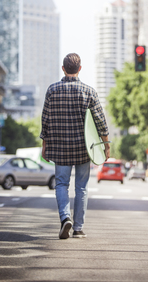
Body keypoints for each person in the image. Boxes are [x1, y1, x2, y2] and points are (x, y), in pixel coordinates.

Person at [40, 53, 110, 239]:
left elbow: (45, 120)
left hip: (59, 147)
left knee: (61, 184)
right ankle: (78, 228)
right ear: (80, 69)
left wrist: (44, 145)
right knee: (81, 187)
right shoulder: (89, 91)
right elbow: (100, 120)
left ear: (63, 69)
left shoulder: (52, 90)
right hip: (83, 148)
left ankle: (65, 218)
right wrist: (105, 144)